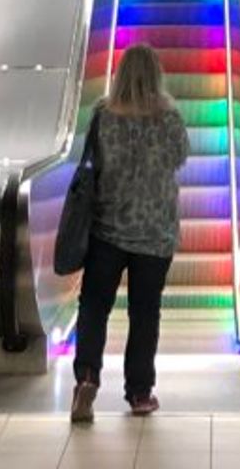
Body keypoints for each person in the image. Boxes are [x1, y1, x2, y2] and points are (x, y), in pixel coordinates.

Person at [70, 42, 191, 423]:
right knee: (144, 313)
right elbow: (180, 158)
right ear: (157, 75)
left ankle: (87, 376)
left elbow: (91, 164)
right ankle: (139, 393)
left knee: (94, 306)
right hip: (154, 234)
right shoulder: (169, 118)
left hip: (107, 229)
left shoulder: (103, 115)